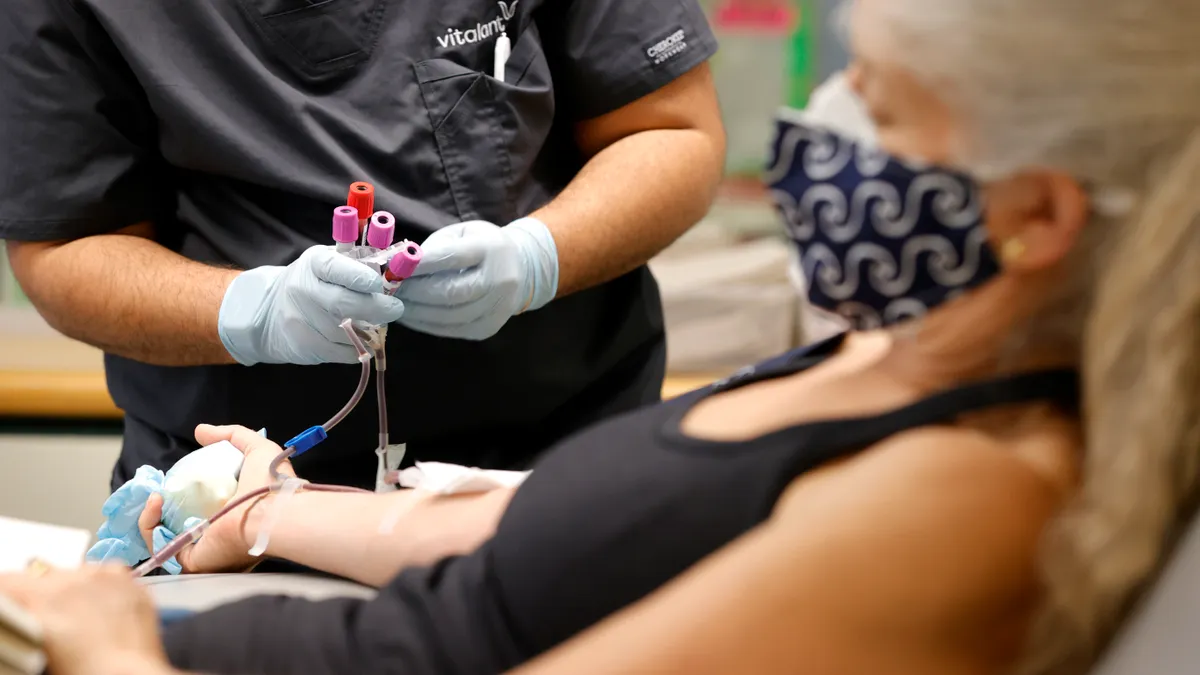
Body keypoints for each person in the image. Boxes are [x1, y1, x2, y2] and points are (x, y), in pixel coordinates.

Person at [5, 0, 1200, 673]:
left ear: (1038, 213)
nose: (817, 130)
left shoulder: (965, 489)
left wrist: (122, 664)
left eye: (876, 106)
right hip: (252, 552)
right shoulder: (881, 365)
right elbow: (570, 531)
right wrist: (261, 511)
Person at [0, 0, 726, 495]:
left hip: (557, 461)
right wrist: (254, 311)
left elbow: (673, 131)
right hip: (239, 488)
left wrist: (537, 256)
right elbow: (68, 240)